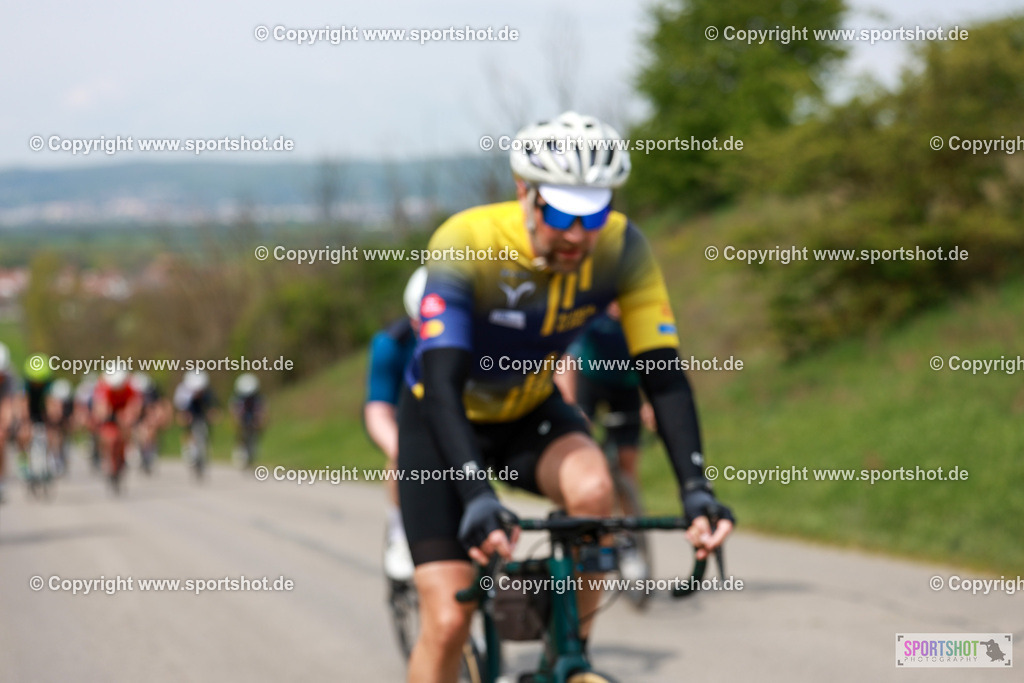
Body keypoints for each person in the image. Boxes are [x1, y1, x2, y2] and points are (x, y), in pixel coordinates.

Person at [398, 111, 734, 682]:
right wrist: (476, 494)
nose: (578, 233)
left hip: (529, 410)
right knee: (449, 620)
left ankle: (570, 656)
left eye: (594, 213)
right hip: (441, 420)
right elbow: (444, 382)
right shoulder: (466, 241)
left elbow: (662, 374)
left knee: (596, 490)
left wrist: (695, 487)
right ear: (524, 193)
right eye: (561, 213)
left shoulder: (623, 248)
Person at [364, 266, 427, 582]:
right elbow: (378, 410)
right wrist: (403, 449)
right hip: (403, 421)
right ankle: (400, 531)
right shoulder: (391, 344)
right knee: (402, 457)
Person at [92, 368, 141, 492]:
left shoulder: (131, 386)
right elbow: (100, 409)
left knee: (126, 429)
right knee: (108, 436)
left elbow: (135, 405)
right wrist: (104, 414)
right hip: (109, 413)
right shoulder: (103, 387)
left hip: (123, 411)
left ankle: (127, 450)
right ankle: (106, 459)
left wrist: (128, 416)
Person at [230, 373, 265, 467]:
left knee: (255, 433)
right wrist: (236, 420)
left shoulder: (258, 398)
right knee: (240, 432)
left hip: (252, 417)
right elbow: (234, 411)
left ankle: (252, 452)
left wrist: (260, 420)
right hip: (243, 417)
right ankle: (239, 449)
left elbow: (262, 411)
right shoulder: (238, 399)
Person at [0, 342, 17, 502]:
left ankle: (1, 480)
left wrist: (6, 423)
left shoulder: (10, 378)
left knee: (1, 438)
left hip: (3, 404)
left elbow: (8, 404)